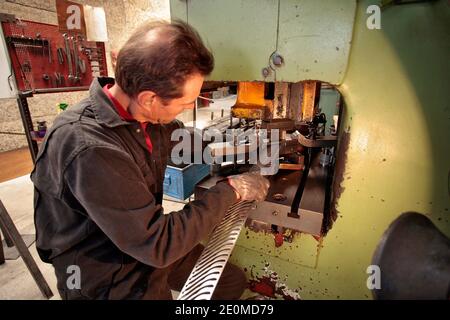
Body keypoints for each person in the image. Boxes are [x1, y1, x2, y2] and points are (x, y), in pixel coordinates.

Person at [31, 20, 269, 300]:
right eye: (183, 103)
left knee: (229, 282)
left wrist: (244, 147)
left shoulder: (139, 114)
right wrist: (231, 189)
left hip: (138, 239)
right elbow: (158, 244)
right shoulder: (92, 148)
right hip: (104, 270)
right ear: (149, 99)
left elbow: (183, 139)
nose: (186, 109)